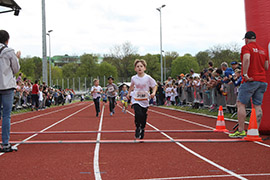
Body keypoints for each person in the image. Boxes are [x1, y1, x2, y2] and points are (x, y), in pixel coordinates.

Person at [229, 31, 269, 138]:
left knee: (240, 103)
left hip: (251, 80)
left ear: (246, 39)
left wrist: (245, 74)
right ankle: (255, 130)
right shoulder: (263, 50)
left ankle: (241, 130)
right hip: (262, 81)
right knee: (257, 105)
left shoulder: (246, 47)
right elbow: (266, 66)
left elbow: (246, 58)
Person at [0, 30, 20, 152]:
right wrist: (17, 58)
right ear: (7, 40)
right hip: (7, 86)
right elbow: (16, 69)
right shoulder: (9, 52)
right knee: (6, 115)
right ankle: (5, 143)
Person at [127, 59, 157, 139]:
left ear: (144, 68)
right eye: (137, 66)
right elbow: (131, 86)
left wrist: (153, 93)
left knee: (143, 116)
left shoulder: (148, 78)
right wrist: (129, 93)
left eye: (141, 66)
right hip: (136, 98)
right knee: (138, 113)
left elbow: (154, 85)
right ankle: (137, 127)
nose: (139, 68)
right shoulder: (133, 78)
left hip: (144, 99)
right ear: (135, 69)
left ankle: (142, 128)